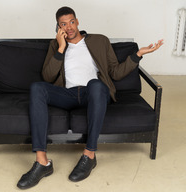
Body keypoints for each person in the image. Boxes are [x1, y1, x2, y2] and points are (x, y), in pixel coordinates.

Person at [17, 6, 163, 189]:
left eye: (71, 22)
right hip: (68, 94)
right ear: (58, 28)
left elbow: (115, 73)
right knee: (37, 87)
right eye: (63, 24)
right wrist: (61, 48)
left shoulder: (100, 41)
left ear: (77, 22)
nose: (69, 27)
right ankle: (42, 163)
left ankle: (89, 155)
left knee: (95, 84)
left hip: (93, 93)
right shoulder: (56, 45)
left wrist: (138, 54)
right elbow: (47, 76)